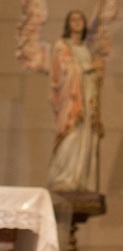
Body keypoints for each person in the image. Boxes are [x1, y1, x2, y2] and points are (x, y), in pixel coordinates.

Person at [46, 10, 104, 192]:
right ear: (68, 24)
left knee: (83, 140)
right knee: (69, 138)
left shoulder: (86, 50)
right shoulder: (61, 46)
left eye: (81, 19)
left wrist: (98, 73)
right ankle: (62, 179)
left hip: (86, 104)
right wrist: (90, 66)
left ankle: (78, 181)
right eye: (74, 19)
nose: (78, 22)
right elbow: (65, 71)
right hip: (70, 104)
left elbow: (92, 81)